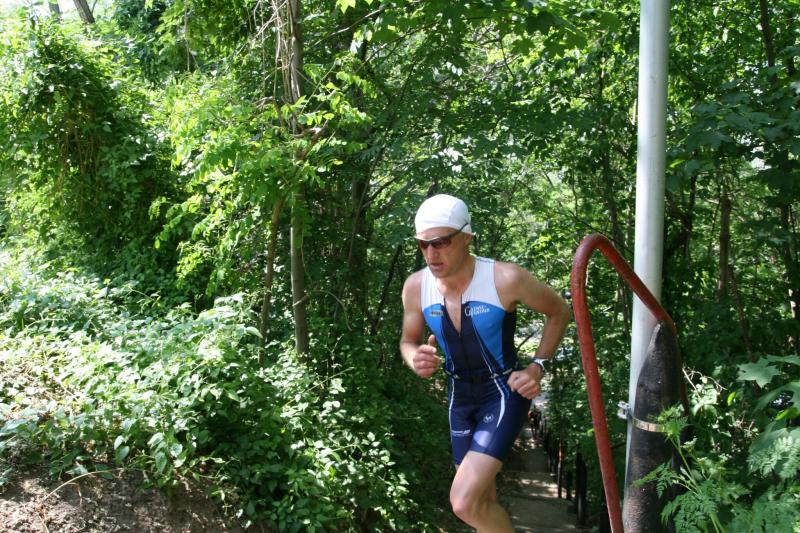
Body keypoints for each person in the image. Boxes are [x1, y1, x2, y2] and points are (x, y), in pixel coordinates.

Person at [399, 194, 571, 532]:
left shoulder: (505, 278)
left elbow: (559, 311)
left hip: (503, 393)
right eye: (423, 244)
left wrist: (537, 367)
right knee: (481, 502)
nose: (431, 254)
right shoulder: (416, 287)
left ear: (466, 237)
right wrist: (414, 359)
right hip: (459, 398)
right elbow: (408, 341)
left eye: (441, 242)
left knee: (463, 502)